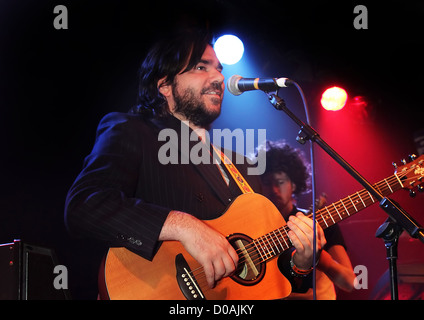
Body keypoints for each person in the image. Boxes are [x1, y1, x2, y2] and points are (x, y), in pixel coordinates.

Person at [64, 29, 325, 299]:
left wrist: (301, 263)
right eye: (201, 67)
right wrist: (183, 225)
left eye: (219, 69)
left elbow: (273, 276)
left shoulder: (242, 166)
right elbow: (84, 205)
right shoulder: (133, 131)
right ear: (165, 85)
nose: (219, 78)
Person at [259, 140, 356, 299]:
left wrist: (319, 258)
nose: (274, 189)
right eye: (267, 183)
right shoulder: (255, 226)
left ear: (294, 184)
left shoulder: (320, 221)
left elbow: (350, 282)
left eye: (280, 182)